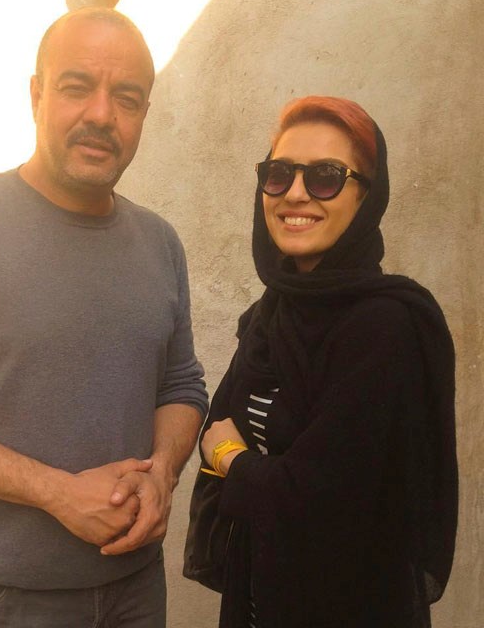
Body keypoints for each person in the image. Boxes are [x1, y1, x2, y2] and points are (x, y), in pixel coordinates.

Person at [0, 7, 207, 628]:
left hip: (136, 590)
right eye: (78, 87)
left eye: (127, 98)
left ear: (143, 115)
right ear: (36, 95)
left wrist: (162, 474)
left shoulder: (160, 243)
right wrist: (59, 494)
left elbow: (181, 386)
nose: (101, 114)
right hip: (1, 602)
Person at [195, 96, 457, 627]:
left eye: (326, 177)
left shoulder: (385, 326)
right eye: (279, 174)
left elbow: (322, 498)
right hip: (260, 599)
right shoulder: (269, 316)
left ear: (366, 196)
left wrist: (230, 459)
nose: (295, 193)